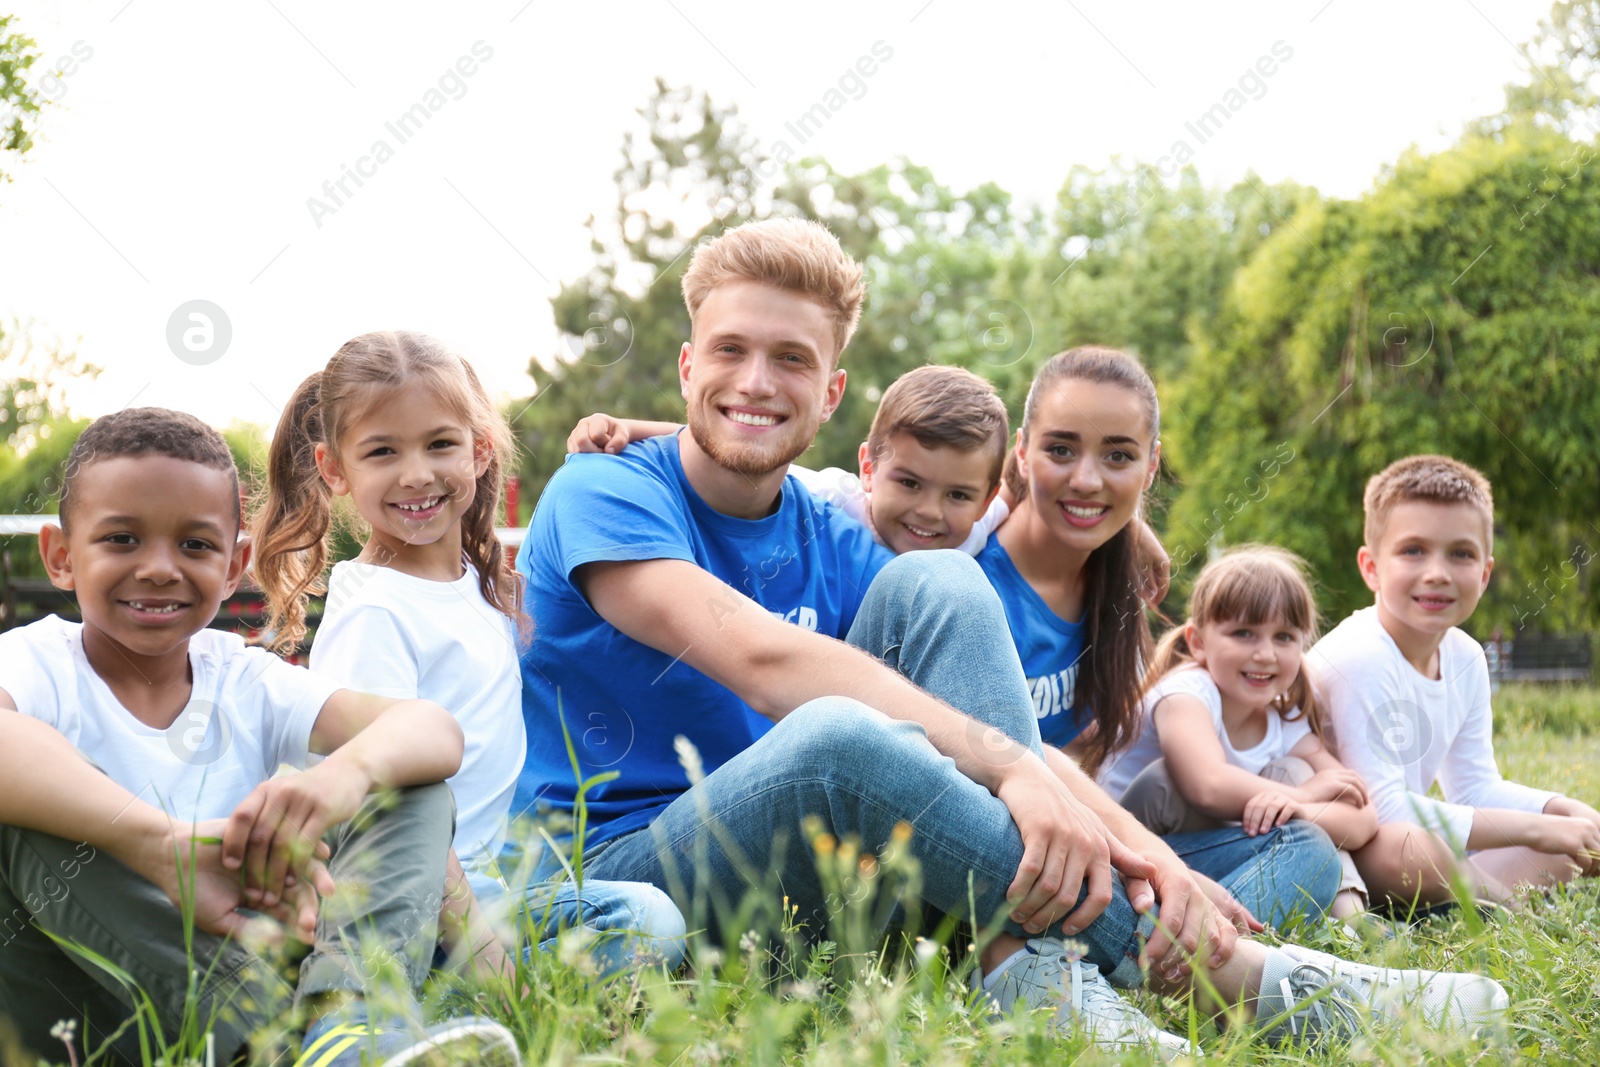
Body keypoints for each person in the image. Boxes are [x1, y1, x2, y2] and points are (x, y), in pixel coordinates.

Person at [516, 217, 1508, 1054]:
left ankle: (1035, 964)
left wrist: (1138, 850)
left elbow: (992, 727)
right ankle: (1240, 976)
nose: (754, 379)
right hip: (632, 875)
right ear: (689, 364)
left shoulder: (835, 528)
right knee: (840, 737)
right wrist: (1016, 770)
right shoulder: (603, 491)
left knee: (943, 582)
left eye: (792, 359)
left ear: (830, 393)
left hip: (813, 895)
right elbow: (761, 658)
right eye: (730, 350)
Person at [0, 408, 518, 1066]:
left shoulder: (242, 677)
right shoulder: (36, 661)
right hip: (86, 1015)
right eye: (122, 539)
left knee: (410, 786)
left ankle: (348, 1031)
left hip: (253, 972)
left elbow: (433, 730)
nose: (160, 568)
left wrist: (337, 780)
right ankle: (272, 1046)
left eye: (195, 545)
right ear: (60, 556)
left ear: (236, 562)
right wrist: (164, 847)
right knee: (21, 810)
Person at [250, 331, 685, 980]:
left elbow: (707, 450)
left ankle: (472, 989)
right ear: (335, 468)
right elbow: (391, 805)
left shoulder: (481, 584)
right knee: (643, 923)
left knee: (651, 917)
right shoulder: (377, 613)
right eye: (382, 451)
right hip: (413, 898)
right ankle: (447, 1001)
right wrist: (491, 964)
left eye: (440, 443)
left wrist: (628, 428)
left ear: (479, 450)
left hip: (493, 880)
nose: (417, 472)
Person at [975, 346, 1343, 931]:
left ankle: (1165, 946)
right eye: (1060, 449)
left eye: (1119, 455)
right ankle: (1181, 956)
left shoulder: (1120, 591)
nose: (1087, 479)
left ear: (1151, 466)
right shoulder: (967, 577)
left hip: (1099, 851)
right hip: (997, 856)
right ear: (1021, 451)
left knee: (1306, 851)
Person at [1310, 454, 1600, 908]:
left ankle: (1478, 897)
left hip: (1414, 852)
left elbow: (1473, 788)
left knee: (1565, 850)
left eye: (1460, 554)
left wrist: (1557, 810)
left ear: (1484, 574)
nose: (1438, 573)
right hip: (1341, 848)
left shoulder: (1466, 657)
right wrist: (1536, 828)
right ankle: (1505, 908)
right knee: (1409, 847)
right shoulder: (1360, 655)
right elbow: (1383, 810)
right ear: (1371, 567)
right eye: (1413, 551)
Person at [1099, 545, 1378, 921]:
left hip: (1210, 856)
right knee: (1169, 779)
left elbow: (1362, 819)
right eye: (1244, 633)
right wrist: (1304, 796)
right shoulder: (1185, 693)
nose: (1265, 654)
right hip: (1131, 855)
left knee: (1300, 785)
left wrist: (1300, 807)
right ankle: (1197, 932)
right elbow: (1207, 786)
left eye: (1283, 637)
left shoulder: (1284, 718)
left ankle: (1352, 921)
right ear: (1197, 642)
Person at [568, 363, 1011, 556]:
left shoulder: (976, 527)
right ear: (869, 469)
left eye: (957, 495)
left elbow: (1017, 485)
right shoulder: (834, 500)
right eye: (910, 483)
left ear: (984, 499)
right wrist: (626, 427)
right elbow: (732, 451)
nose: (930, 512)